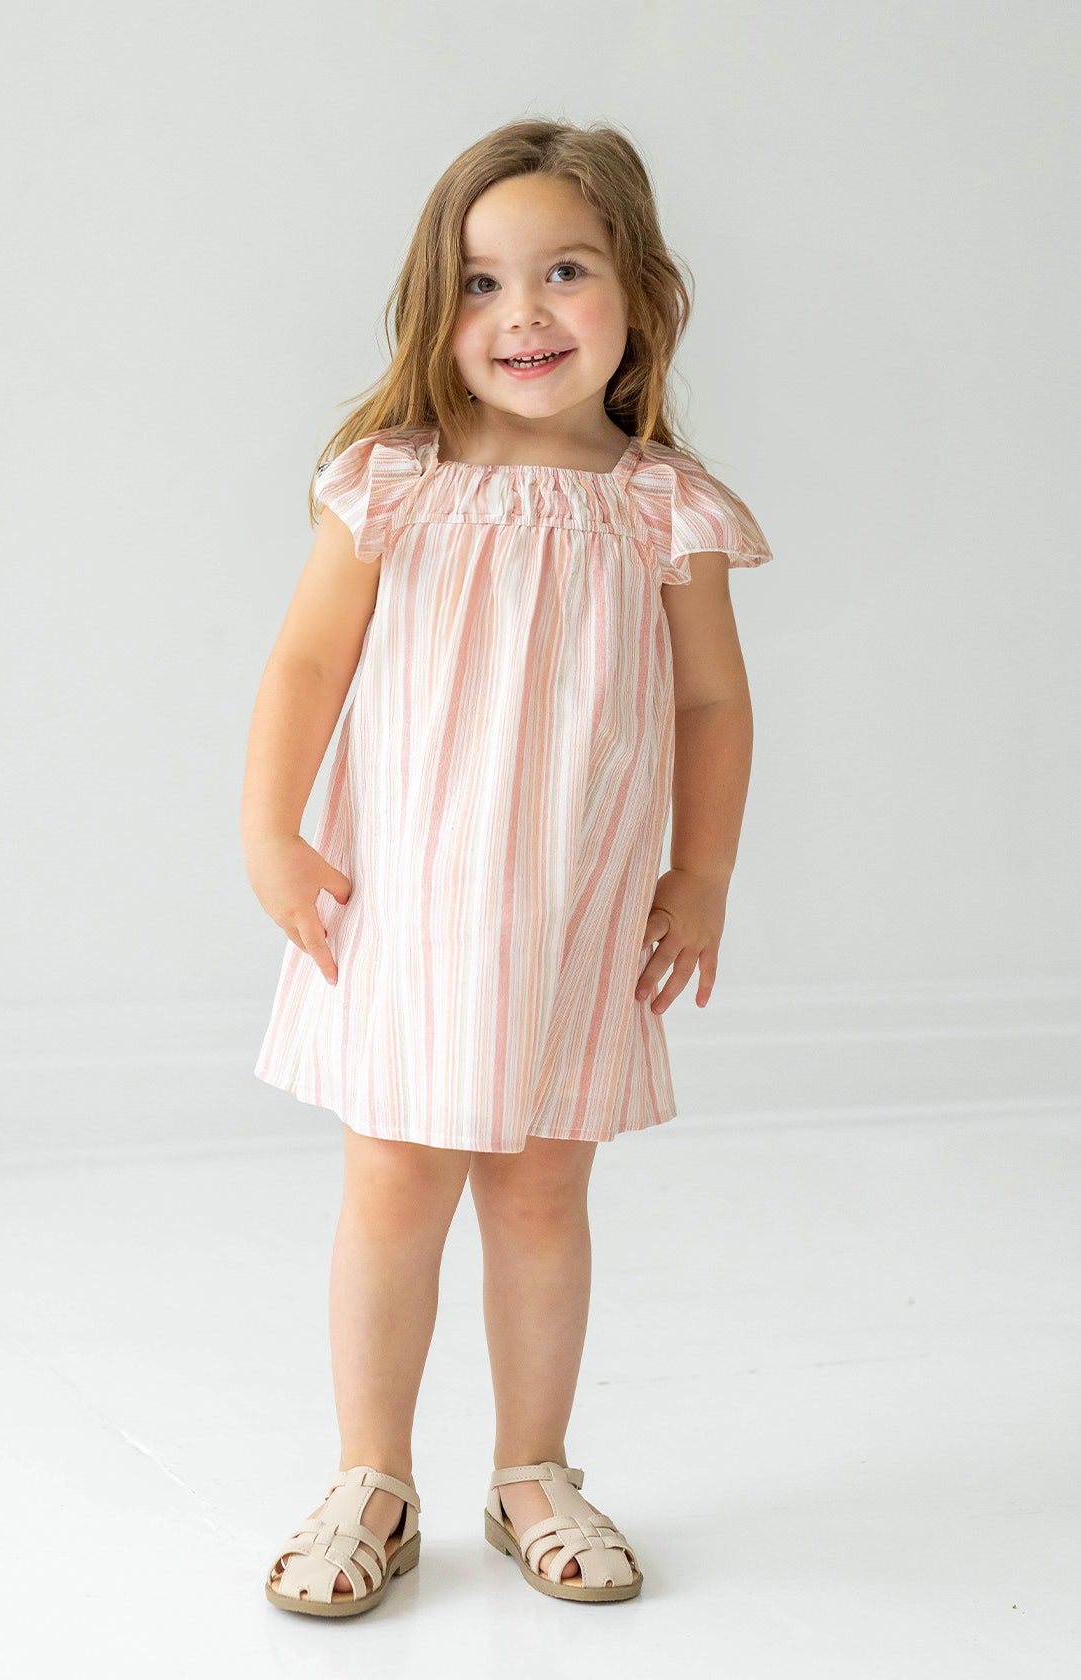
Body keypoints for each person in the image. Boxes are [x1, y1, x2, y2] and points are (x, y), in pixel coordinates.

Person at [241, 117, 774, 1617]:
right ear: (436, 309)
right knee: (394, 1183)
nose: (522, 314)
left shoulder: (659, 504)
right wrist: (269, 830)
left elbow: (712, 703)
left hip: (574, 908)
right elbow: (303, 665)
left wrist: (702, 874)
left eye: (562, 271)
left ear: (639, 296)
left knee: (543, 1192)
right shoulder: (394, 483)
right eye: (481, 284)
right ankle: (373, 1477)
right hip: (405, 902)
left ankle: (533, 1465)